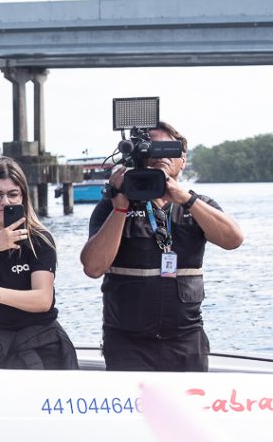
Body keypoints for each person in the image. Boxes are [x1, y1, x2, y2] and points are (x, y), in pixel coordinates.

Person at [80, 121, 244, 372]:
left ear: (183, 160)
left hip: (186, 340)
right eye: (152, 149)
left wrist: (185, 199)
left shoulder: (198, 205)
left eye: (168, 149)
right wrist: (120, 208)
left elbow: (233, 239)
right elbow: (92, 267)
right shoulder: (114, 204)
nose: (161, 156)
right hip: (127, 343)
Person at [0, 158, 77, 370]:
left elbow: (43, 299)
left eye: (13, 194)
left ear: (23, 197)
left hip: (37, 340)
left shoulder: (39, 239)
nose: (5, 202)